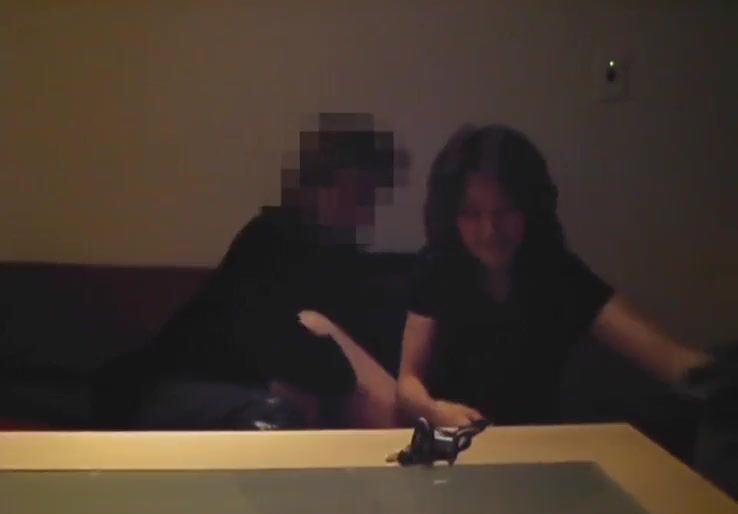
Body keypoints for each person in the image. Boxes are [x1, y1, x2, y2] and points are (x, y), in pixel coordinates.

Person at [93, 113, 405, 430]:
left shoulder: (340, 259)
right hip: (181, 385)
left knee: (298, 401)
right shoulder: (271, 239)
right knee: (277, 413)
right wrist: (327, 366)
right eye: (357, 193)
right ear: (318, 186)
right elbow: (285, 348)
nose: (364, 210)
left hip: (238, 386)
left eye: (369, 196)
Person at [397, 124, 713, 428]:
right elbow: (408, 382)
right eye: (471, 214)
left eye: (505, 210)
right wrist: (437, 412)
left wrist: (721, 382)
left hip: (541, 442)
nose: (489, 230)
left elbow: (661, 354)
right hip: (452, 442)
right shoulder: (438, 267)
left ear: (530, 208)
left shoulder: (555, 271)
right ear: (451, 216)